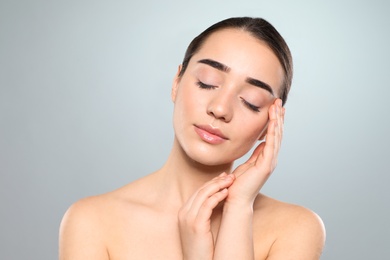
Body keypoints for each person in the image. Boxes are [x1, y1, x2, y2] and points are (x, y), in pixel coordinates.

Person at [59, 17, 325, 259]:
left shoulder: (296, 228)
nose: (220, 109)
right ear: (176, 81)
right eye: (207, 82)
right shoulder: (92, 222)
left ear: (271, 123)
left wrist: (238, 208)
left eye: (250, 102)